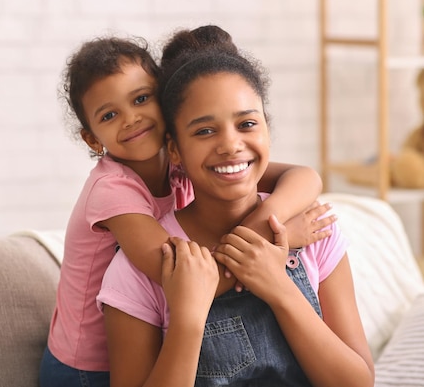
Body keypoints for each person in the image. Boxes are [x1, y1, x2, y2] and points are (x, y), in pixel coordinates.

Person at [39, 33, 335, 387]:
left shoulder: (186, 162)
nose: (131, 119)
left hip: (150, 336)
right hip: (87, 364)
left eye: (142, 98)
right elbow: (178, 278)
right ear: (92, 139)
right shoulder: (112, 191)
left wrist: (262, 223)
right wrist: (273, 240)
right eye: (110, 114)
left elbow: (304, 177)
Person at [97, 26, 375, 387]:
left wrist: (280, 288)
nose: (231, 145)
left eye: (247, 124)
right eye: (204, 131)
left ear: (267, 131)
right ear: (175, 150)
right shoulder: (142, 268)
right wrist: (188, 319)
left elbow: (358, 382)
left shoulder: (313, 230)